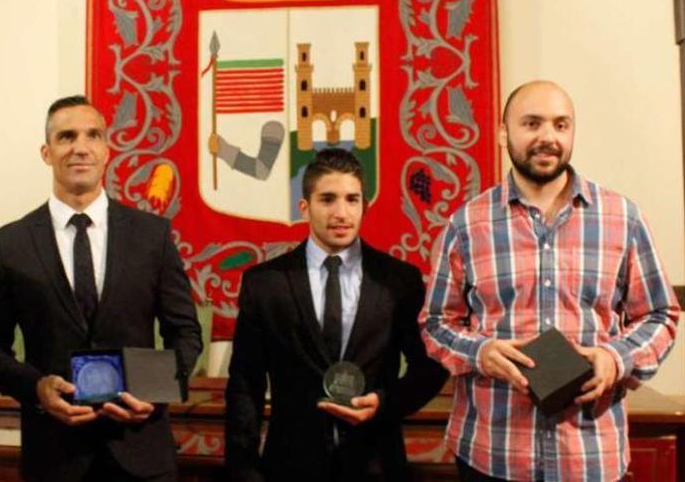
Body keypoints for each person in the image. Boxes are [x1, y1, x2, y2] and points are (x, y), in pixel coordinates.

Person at [420, 80, 680, 481]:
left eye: (561, 125)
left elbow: (661, 315)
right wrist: (480, 352)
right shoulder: (467, 224)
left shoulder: (622, 218)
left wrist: (615, 358)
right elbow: (436, 324)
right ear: (504, 133)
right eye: (532, 123)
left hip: (590, 455)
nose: (548, 137)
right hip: (492, 453)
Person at [0, 95, 202, 482]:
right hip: (55, 456)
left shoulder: (152, 236)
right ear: (46, 152)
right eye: (66, 137)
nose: (80, 147)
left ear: (107, 150)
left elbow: (186, 333)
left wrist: (157, 391)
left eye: (92, 135)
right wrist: (36, 389)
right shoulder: (11, 244)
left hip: (141, 451)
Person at [225, 148, 448, 481]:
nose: (341, 212)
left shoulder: (399, 280)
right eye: (327, 199)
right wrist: (242, 469)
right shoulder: (265, 283)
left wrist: (383, 403)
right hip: (289, 465)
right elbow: (246, 382)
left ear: (363, 205)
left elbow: (429, 367)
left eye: (352, 199)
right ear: (305, 207)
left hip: (375, 463)